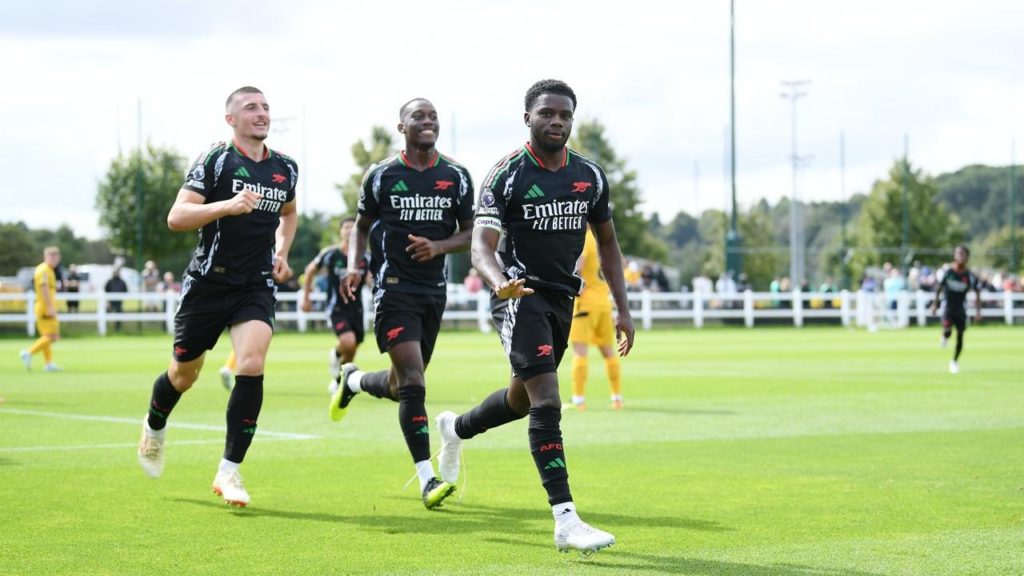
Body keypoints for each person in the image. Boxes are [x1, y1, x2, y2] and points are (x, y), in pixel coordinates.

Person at [433, 79, 635, 555]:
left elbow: (607, 241)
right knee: (548, 401)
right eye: (547, 113)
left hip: (563, 300)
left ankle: (454, 430)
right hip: (518, 294)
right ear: (528, 117)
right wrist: (498, 279)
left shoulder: (589, 176)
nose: (557, 121)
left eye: (565, 114)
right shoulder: (507, 174)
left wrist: (623, 306)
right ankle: (565, 519)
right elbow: (482, 246)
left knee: (520, 400)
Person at [135, 86, 298, 508]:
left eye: (264, 107)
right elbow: (177, 217)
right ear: (231, 119)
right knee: (182, 376)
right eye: (250, 108)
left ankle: (229, 471)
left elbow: (290, 212)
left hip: (255, 284)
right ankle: (154, 427)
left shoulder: (285, 168)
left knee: (252, 362)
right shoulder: (216, 160)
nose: (261, 114)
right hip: (209, 283)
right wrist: (225, 206)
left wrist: (282, 252)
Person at [330, 97, 474, 510]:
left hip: (433, 292)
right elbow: (360, 225)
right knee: (413, 382)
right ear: (401, 127)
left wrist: (439, 246)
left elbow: (473, 233)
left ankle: (353, 381)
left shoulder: (457, 176)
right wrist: (356, 265)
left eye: (433, 117)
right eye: (418, 117)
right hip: (392, 289)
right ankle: (428, 480)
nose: (427, 122)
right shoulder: (381, 175)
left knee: (400, 386)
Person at [301, 217, 369, 393]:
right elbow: (310, 271)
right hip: (336, 307)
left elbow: (371, 279)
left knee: (353, 349)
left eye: (352, 227)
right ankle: (336, 354)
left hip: (357, 308)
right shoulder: (330, 253)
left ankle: (340, 381)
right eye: (345, 227)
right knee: (348, 342)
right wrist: (306, 297)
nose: (348, 230)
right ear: (340, 232)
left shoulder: (365, 257)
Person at [564, 228, 622, 411]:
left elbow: (578, 268)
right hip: (603, 303)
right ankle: (617, 398)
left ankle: (578, 400)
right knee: (608, 352)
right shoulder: (601, 239)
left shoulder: (583, 239)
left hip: (585, 303)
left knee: (580, 351)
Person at [929, 245, 982, 374]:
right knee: (948, 330)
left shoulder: (969, 276)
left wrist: (978, 312)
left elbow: (977, 293)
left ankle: (954, 361)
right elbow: (939, 288)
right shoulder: (948, 272)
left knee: (960, 335)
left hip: (961, 308)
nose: (960, 256)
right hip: (947, 306)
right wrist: (934, 304)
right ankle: (945, 335)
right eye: (958, 253)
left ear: (967, 257)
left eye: (963, 254)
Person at [20, 246, 63, 372]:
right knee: (53, 336)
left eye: (56, 256)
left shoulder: (49, 270)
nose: (54, 259)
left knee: (46, 336)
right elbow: (43, 288)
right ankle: (28, 353)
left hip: (45, 307)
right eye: (52, 256)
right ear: (46, 257)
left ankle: (48, 363)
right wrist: (50, 307)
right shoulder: (43, 270)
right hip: (45, 308)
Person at [104, 267, 129, 332]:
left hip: (119, 301)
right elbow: (106, 291)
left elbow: (125, 291)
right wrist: (108, 302)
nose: (116, 273)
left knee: (119, 314)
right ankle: (104, 327)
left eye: (117, 272)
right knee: (105, 313)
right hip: (110, 301)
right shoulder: (109, 282)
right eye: (115, 272)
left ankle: (118, 329)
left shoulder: (122, 282)